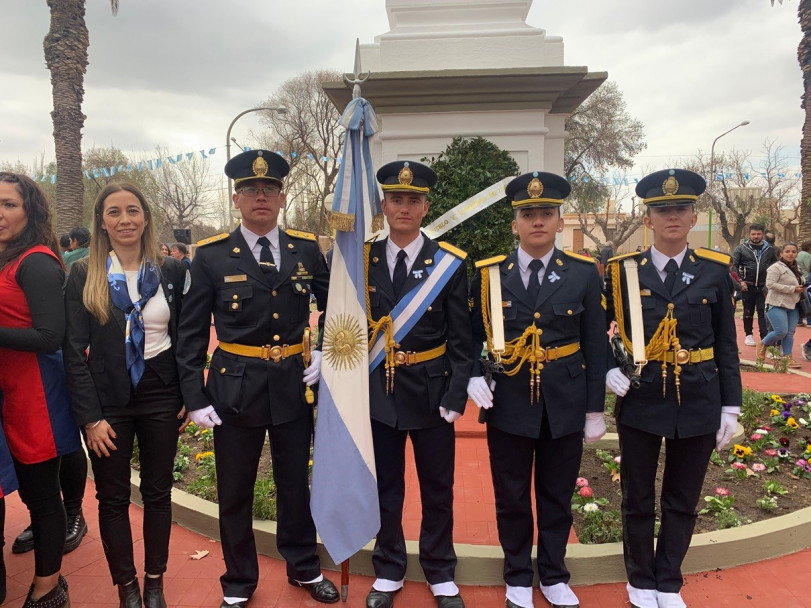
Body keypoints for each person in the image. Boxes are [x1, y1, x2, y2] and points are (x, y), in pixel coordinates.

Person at [176, 150, 336, 607]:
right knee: (235, 489)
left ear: (283, 197)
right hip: (234, 387)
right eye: (251, 190)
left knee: (293, 485)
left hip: (292, 381)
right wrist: (196, 395)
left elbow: (337, 304)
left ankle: (303, 568)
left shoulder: (306, 249)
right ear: (236, 199)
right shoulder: (208, 256)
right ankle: (239, 582)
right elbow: (189, 336)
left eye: (269, 190)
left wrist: (325, 350)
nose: (260, 197)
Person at [468, 171, 607, 608]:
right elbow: (471, 334)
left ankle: (553, 575)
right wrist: (475, 372)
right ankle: (515, 576)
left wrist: (594, 408)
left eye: (546, 213)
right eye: (528, 214)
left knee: (556, 494)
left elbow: (595, 343)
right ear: (515, 224)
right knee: (510, 495)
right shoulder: (491, 274)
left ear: (560, 221)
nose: (537, 221)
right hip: (509, 397)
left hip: (563, 400)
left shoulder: (583, 274)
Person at [604, 169, 741, 608]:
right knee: (638, 496)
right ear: (648, 218)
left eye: (680, 208)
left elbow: (725, 344)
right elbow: (594, 330)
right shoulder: (621, 272)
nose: (672, 217)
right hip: (643, 395)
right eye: (662, 210)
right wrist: (609, 367)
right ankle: (640, 579)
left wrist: (731, 408)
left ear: (693, 214)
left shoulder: (715, 271)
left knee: (683, 498)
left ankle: (668, 580)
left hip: (700, 394)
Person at [63, 182, 189, 608]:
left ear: (146, 217)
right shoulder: (84, 273)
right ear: (102, 222)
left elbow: (185, 338)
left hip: (161, 394)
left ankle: (155, 583)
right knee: (112, 498)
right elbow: (72, 352)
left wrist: (189, 392)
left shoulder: (168, 270)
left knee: (158, 494)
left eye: (132, 210)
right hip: (108, 403)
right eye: (114, 212)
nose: (125, 220)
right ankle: (128, 589)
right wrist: (90, 418)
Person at [364, 161, 471, 608]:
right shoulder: (361, 258)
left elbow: (464, 338)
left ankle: (440, 570)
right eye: (396, 199)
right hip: (376, 392)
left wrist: (456, 392)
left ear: (426, 206)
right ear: (384, 205)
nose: (404, 207)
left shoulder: (449, 262)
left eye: (413, 200)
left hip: (430, 391)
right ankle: (389, 569)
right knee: (386, 485)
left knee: (437, 486)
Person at [0, 172, 81, 608]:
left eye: (9, 204)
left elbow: (51, 336)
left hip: (36, 396)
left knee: (41, 496)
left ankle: (49, 587)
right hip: (7, 394)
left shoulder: (36, 261)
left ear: (29, 209)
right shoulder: (3, 258)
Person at [756, 242, 805, 368]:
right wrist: (792, 288)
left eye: (793, 251)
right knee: (781, 331)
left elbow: (801, 281)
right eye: (787, 251)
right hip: (776, 303)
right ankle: (763, 344)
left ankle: (787, 357)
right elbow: (770, 284)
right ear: (781, 253)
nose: (790, 254)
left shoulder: (797, 268)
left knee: (789, 332)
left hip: (794, 304)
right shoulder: (775, 267)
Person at [732, 223, 777, 346]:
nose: (756, 236)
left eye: (758, 234)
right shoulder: (741, 248)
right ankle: (748, 335)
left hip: (763, 286)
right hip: (747, 286)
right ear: (749, 234)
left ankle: (764, 337)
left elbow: (775, 265)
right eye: (753, 234)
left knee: (763, 312)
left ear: (763, 234)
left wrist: (771, 282)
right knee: (748, 312)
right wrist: (740, 281)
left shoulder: (770, 249)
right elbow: (733, 266)